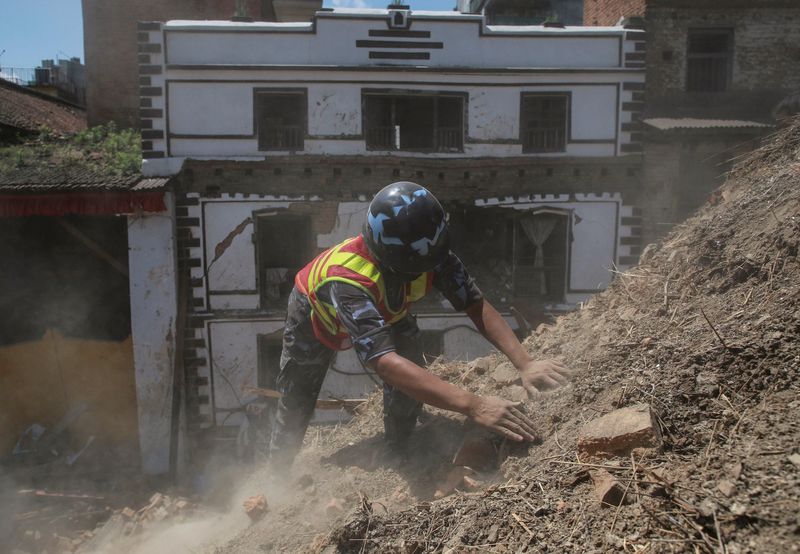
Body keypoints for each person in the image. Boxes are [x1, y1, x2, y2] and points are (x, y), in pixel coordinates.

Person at [268, 181, 572, 470]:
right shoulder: (349, 280)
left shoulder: (429, 250)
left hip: (389, 305)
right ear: (389, 257)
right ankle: (276, 474)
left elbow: (474, 303)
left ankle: (397, 445)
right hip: (314, 316)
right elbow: (385, 363)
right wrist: (474, 405)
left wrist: (525, 363)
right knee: (298, 395)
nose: (427, 271)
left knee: (410, 359)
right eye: (414, 268)